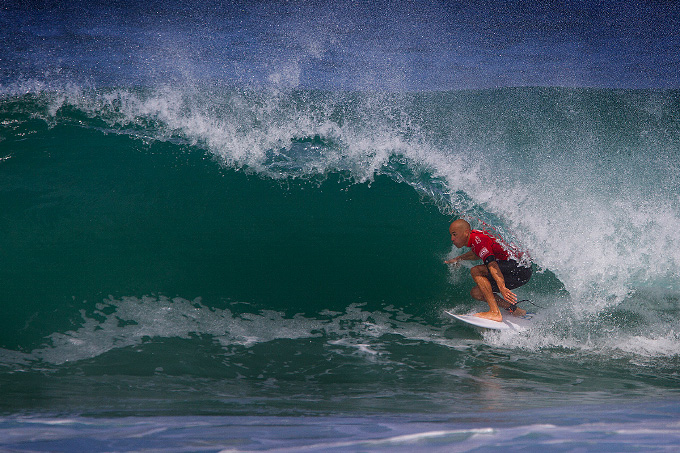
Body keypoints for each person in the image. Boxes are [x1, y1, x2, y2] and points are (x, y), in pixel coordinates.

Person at [445, 219, 532, 322]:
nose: (452, 239)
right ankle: (514, 310)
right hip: (516, 268)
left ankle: (495, 312)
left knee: (476, 270)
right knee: (477, 292)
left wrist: (502, 287)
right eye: (451, 235)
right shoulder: (475, 237)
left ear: (466, 232)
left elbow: (492, 264)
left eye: (454, 234)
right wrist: (459, 258)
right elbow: (477, 253)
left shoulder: (478, 240)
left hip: (521, 268)